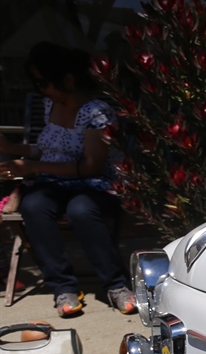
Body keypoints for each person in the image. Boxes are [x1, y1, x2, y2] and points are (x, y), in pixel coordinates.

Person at [0, 42, 136, 317]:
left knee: (81, 209)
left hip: (96, 184)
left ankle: (116, 285)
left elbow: (91, 167)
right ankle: (63, 287)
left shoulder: (96, 112)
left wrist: (31, 166)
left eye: (43, 82)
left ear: (68, 79)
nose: (40, 89)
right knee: (34, 206)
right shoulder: (52, 104)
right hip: (54, 182)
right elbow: (48, 148)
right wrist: (12, 149)